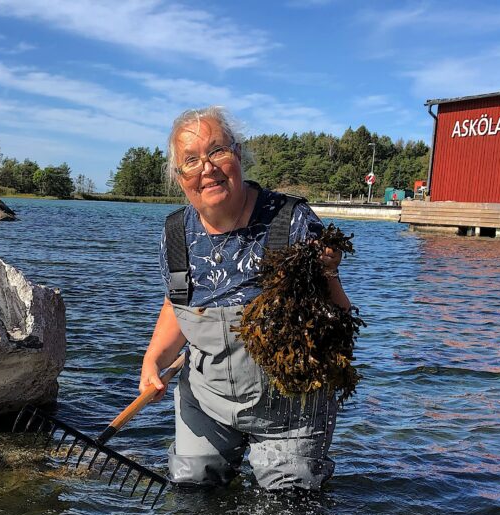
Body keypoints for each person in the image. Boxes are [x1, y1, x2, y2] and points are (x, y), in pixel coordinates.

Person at [139, 106, 352, 490]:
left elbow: (339, 320)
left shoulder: (292, 221)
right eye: (191, 161)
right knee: (192, 498)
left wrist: (329, 273)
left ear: (238, 155)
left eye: (217, 151)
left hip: (291, 407)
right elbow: (177, 303)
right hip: (207, 401)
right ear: (179, 178)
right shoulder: (175, 234)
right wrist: (153, 360)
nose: (207, 168)